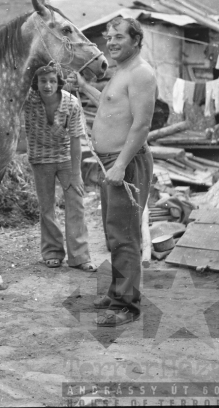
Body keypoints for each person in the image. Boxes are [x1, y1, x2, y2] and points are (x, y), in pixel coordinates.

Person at [68, 16, 157, 327]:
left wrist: (120, 165)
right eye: (109, 36)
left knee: (125, 235)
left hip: (126, 163)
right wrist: (83, 87)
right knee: (114, 232)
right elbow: (109, 104)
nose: (111, 42)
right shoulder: (123, 72)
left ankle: (128, 306)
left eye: (119, 36)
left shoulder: (142, 73)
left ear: (136, 39)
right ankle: (117, 292)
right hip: (114, 162)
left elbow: (142, 125)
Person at [23, 63, 97, 272]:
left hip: (65, 158)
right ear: (36, 83)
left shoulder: (70, 103)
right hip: (40, 159)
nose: (48, 85)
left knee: (76, 203)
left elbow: (76, 140)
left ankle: (80, 256)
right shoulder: (29, 100)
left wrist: (76, 174)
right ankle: (53, 252)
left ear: (59, 83)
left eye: (53, 81)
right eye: (43, 81)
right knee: (46, 207)